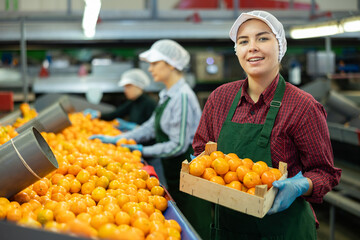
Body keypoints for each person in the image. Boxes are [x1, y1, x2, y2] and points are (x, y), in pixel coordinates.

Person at [192, 10, 342, 240]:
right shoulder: (219, 98)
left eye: (262, 38)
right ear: (237, 51)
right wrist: (200, 165)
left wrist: (300, 185)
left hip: (284, 228)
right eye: (243, 41)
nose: (252, 47)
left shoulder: (303, 107)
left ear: (279, 45)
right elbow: (202, 148)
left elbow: (324, 173)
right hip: (230, 228)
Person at [90, 39, 213, 239]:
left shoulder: (181, 96)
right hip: (174, 170)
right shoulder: (167, 94)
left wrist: (140, 150)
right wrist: (118, 139)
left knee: (194, 225)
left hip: (190, 173)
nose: (150, 68)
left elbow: (177, 145)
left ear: (171, 64)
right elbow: (150, 127)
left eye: (155, 63)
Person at [83, 68, 157, 131]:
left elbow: (154, 130)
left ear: (139, 86)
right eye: (125, 87)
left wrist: (135, 128)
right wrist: (98, 114)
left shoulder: (150, 104)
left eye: (128, 87)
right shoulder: (133, 102)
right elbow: (115, 114)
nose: (125, 90)